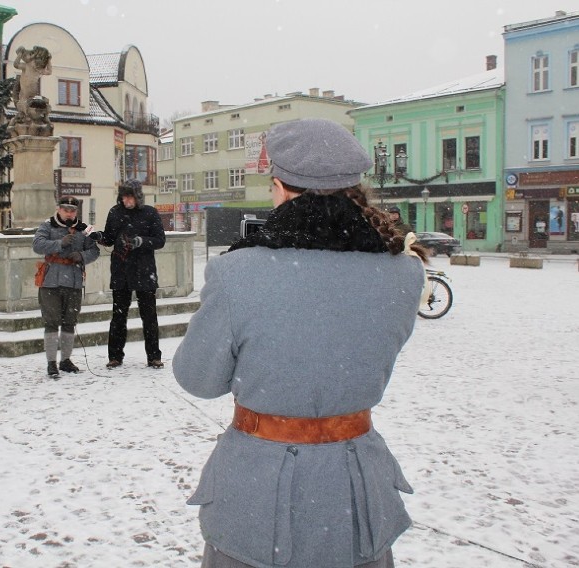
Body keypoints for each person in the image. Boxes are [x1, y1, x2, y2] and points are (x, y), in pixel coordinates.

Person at [172, 119, 429, 568]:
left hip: (257, 493)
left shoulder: (239, 273)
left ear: (281, 187)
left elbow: (197, 378)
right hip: (354, 491)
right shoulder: (402, 274)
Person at [94, 179, 166, 369]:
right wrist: (99, 237)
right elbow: (109, 238)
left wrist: (141, 241)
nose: (127, 200)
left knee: (149, 317)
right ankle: (115, 356)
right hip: (121, 270)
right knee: (118, 317)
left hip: (144, 271)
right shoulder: (115, 212)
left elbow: (160, 240)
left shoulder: (150, 213)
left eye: (130, 196)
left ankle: (154, 356)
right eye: (124, 196)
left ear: (138, 196)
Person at [32, 196, 100, 377]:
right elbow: (37, 245)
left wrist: (82, 255)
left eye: (72, 210)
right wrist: (59, 243)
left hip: (74, 281)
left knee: (70, 322)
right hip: (51, 282)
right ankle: (51, 362)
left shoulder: (84, 229)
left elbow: (95, 250)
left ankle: (65, 360)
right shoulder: (47, 226)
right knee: (52, 323)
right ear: (58, 209)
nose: (69, 213)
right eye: (65, 209)